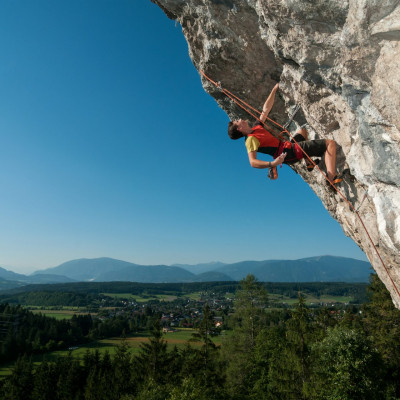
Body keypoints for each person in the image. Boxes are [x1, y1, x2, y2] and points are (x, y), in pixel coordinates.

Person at [227, 83, 342, 187]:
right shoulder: (250, 140)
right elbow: (252, 162)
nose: (240, 119)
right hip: (289, 152)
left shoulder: (256, 127)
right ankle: (331, 179)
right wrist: (272, 163)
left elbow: (265, 110)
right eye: (237, 121)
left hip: (287, 148)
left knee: (302, 132)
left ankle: (308, 163)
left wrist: (274, 89)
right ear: (240, 128)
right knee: (329, 144)